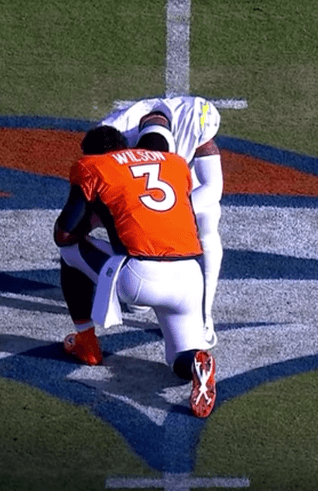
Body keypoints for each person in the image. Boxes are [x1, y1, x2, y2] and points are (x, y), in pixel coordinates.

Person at [53, 125, 217, 418]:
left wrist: (95, 218)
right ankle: (198, 364)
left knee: (70, 251)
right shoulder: (174, 163)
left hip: (139, 277)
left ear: (93, 153)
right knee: (179, 360)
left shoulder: (93, 166)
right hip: (190, 277)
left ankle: (86, 343)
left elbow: (64, 233)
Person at [99, 96, 222, 348]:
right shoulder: (113, 135)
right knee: (118, 218)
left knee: (209, 222)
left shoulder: (194, 119)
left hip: (184, 187)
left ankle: (204, 315)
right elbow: (99, 192)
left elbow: (213, 186)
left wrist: (178, 214)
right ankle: (135, 274)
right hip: (134, 189)